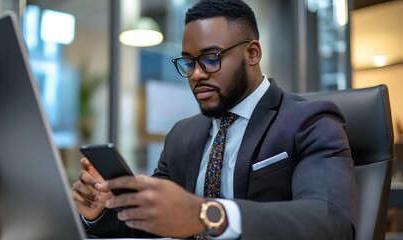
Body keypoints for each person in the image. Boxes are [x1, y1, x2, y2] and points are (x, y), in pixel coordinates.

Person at [72, 0, 357, 239]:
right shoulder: (182, 136)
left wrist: (210, 215)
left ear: (253, 53)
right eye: (188, 62)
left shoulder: (309, 121)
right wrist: (102, 212)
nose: (196, 74)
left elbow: (330, 220)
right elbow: (155, 222)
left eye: (211, 58)